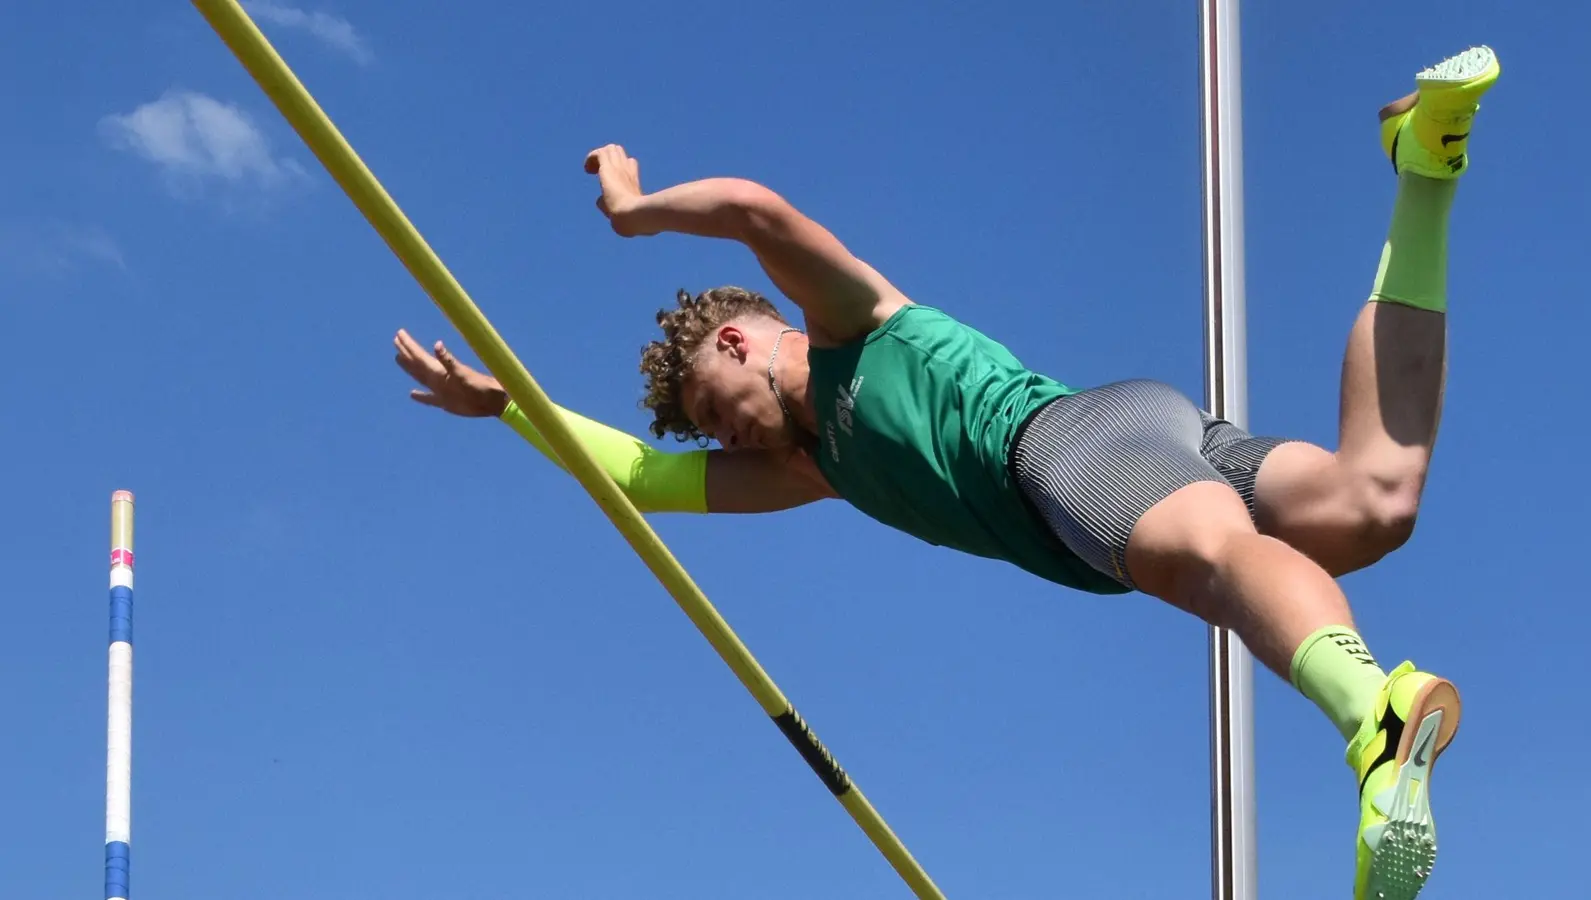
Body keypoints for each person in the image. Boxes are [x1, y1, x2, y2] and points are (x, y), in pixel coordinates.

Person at [393, 45, 1498, 900]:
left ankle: (1376, 719)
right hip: (1147, 434)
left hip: (1064, 451)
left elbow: (756, 214)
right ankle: (1423, 176)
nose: (718, 442)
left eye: (709, 415)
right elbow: (635, 477)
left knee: (1212, 563)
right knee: (1370, 501)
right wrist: (514, 413)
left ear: (736, 345)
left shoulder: (849, 327)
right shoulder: (816, 467)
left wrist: (639, 211)